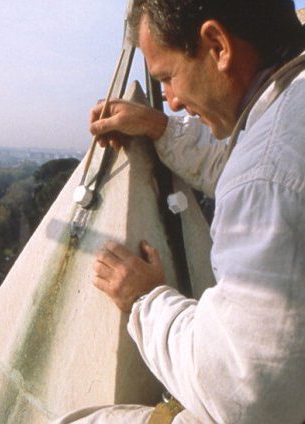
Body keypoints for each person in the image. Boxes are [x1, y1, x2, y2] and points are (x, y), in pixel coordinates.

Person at [56, 0, 305, 422]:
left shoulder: (266, 173)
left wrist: (144, 299)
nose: (170, 101)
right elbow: (247, 162)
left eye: (168, 77)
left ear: (217, 45)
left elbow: (246, 394)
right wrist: (160, 128)